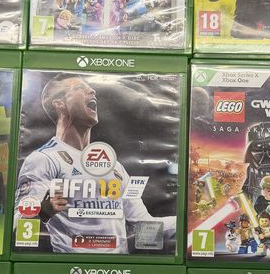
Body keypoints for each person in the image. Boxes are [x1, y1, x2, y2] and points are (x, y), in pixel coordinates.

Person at [14, 74, 176, 253]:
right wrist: (41, 213)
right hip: (69, 267)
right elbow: (16, 227)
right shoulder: (43, 159)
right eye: (80, 88)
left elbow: (142, 225)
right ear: (59, 103)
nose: (92, 91)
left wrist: (186, 224)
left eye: (89, 88)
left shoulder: (115, 167)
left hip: (118, 268)